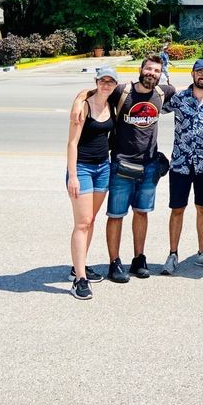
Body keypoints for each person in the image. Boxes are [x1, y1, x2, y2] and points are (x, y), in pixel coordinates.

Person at [71, 54, 176, 284]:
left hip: (149, 164)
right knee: (116, 215)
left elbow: (191, 94)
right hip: (121, 163)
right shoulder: (123, 91)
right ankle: (114, 262)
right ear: (141, 69)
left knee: (142, 212)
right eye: (148, 69)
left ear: (161, 74)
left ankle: (139, 258)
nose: (152, 73)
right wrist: (80, 99)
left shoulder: (163, 93)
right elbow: (97, 90)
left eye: (156, 71)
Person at [160, 59, 203, 276]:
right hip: (180, 163)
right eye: (200, 72)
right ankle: (172, 254)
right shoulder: (179, 98)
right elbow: (155, 106)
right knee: (177, 209)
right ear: (192, 74)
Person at [65, 66, 118, 300]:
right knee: (82, 223)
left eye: (110, 81)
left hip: (103, 168)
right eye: (102, 81)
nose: (106, 85)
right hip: (83, 169)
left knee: (91, 220)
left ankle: (79, 265)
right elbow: (72, 144)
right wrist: (73, 175)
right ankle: (79, 280)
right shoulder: (84, 106)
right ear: (96, 82)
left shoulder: (113, 102)